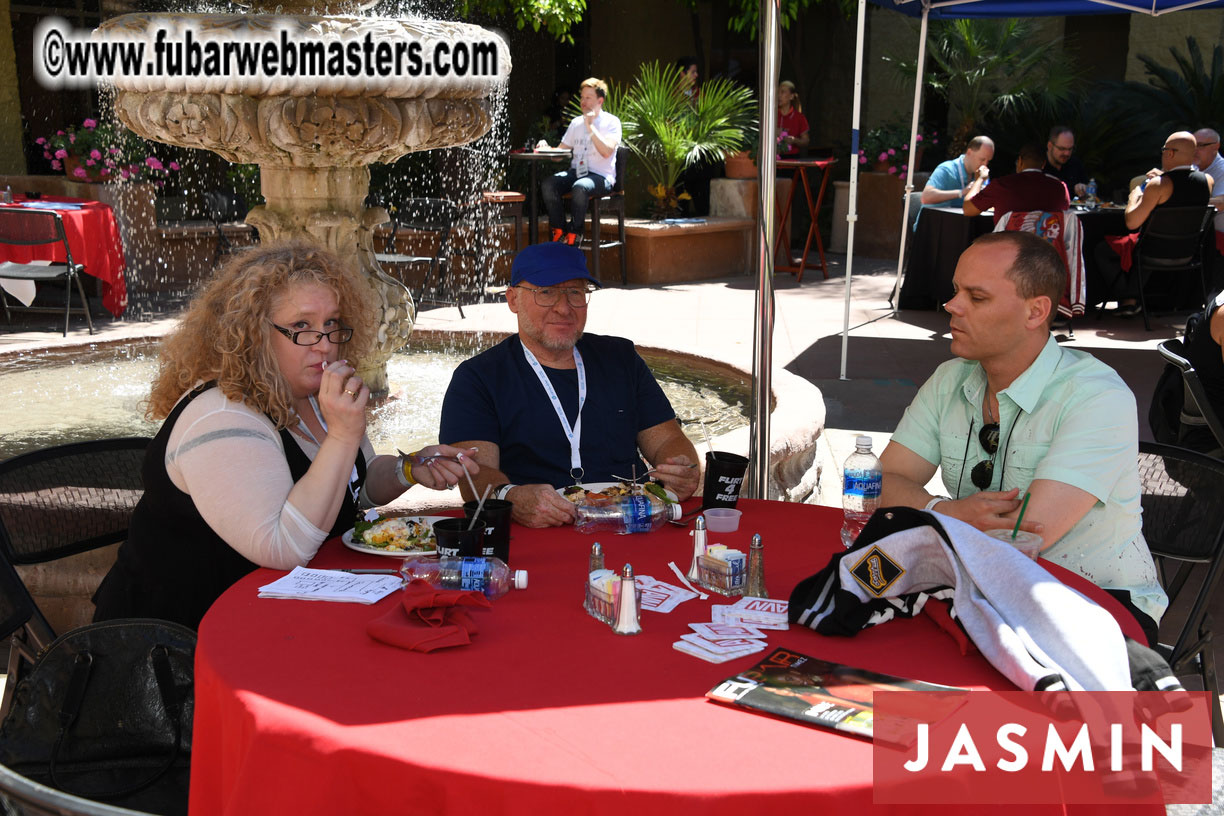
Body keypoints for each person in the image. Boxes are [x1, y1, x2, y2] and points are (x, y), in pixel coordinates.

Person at [92, 242, 477, 629]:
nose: (325, 343)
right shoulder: (222, 416)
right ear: (253, 333)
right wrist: (343, 435)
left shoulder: (312, 397)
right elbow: (284, 547)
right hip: (178, 643)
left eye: (331, 323)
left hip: (283, 618)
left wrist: (407, 470)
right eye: (300, 327)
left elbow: (353, 486)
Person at [878, 231, 1167, 645]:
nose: (951, 306)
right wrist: (948, 510)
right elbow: (879, 481)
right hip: (979, 586)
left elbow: (1029, 533)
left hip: (1096, 600)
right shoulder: (949, 379)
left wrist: (926, 512)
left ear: (1036, 312)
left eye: (977, 297)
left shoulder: (1097, 395)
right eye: (956, 290)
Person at [439, 242, 700, 528]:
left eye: (575, 292)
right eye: (546, 292)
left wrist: (681, 468)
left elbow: (667, 440)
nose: (563, 308)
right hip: (537, 534)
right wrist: (511, 497)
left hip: (628, 525)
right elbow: (475, 475)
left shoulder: (620, 358)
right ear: (512, 299)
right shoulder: (478, 377)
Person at [1096, 130, 1211, 317]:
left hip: (1153, 253)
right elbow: (1183, 188)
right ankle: (1131, 300)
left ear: (1170, 153)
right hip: (1189, 254)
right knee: (1145, 242)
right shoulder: (1208, 181)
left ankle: (1128, 298)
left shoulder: (1159, 185)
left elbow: (1132, 223)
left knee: (1102, 250)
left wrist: (1135, 197)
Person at [537, 77, 622, 247]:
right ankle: (560, 230)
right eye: (582, 97)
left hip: (600, 176)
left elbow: (606, 151)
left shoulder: (612, 122)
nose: (583, 102)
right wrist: (546, 147)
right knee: (549, 184)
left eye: (588, 98)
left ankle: (575, 233)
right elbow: (560, 154)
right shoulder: (576, 123)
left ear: (600, 100)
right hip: (577, 172)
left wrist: (590, 127)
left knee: (580, 187)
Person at [963, 143, 1070, 223]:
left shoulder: (1002, 185)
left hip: (1007, 248)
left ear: (1020, 161)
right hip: (1045, 250)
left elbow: (968, 209)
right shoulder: (1060, 188)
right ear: (1043, 164)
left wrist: (979, 179)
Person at [916, 135, 994, 229]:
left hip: (959, 226)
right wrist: (961, 193)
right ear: (969, 152)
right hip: (933, 226)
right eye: (982, 159)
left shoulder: (980, 175)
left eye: (988, 161)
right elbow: (926, 197)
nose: (985, 164)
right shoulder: (947, 169)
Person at [1043, 126, 1089, 199]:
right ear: (1050, 146)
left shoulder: (1075, 164)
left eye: (1070, 149)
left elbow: (1089, 194)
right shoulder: (1039, 164)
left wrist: (1083, 189)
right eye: (1062, 149)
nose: (1067, 153)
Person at [1193, 127, 1224, 232]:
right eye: (1192, 145)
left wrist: (1186, 202)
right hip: (1198, 234)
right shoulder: (1192, 164)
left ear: (1216, 146)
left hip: (1219, 236)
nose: (1195, 150)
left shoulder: (1222, 169)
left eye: (1200, 145)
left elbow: (1221, 203)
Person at [777, 81, 810, 159]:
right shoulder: (771, 115)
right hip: (772, 159)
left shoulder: (799, 117)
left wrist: (794, 140)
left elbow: (806, 141)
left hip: (792, 159)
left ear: (791, 96)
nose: (779, 95)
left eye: (783, 92)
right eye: (778, 92)